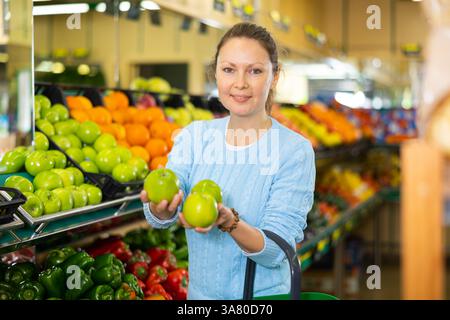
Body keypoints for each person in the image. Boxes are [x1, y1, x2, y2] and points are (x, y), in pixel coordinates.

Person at [141, 22, 316, 300]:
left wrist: (230, 222)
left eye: (255, 71)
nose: (240, 83)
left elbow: (277, 250)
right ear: (216, 73)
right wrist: (161, 207)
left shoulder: (294, 151)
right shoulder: (194, 137)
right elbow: (163, 212)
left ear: (275, 76)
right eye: (228, 69)